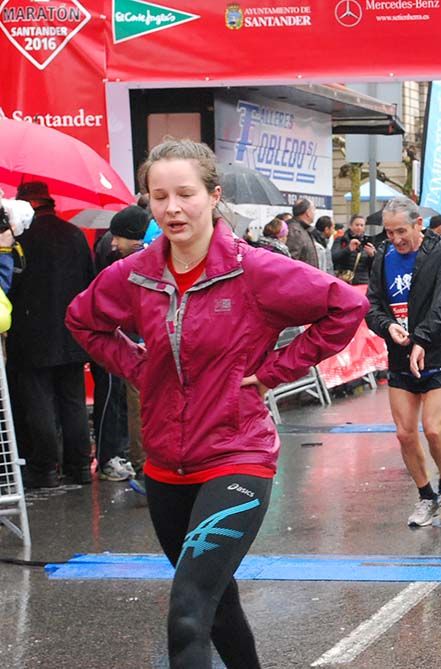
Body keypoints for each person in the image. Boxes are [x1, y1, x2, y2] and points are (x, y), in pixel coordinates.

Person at [66, 139, 368, 668]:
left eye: (185, 194)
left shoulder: (254, 270)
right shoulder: (137, 274)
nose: (172, 208)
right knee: (215, 603)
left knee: (187, 608)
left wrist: (274, 371)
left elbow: (345, 306)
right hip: (164, 466)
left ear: (213, 196)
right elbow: (83, 319)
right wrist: (139, 366)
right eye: (159, 196)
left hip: (237, 456)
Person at [366, 197, 441, 528]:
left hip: (438, 350)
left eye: (401, 231)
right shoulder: (382, 257)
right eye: (389, 232)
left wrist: (421, 338)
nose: (395, 239)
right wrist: (387, 326)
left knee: (433, 429)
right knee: (405, 434)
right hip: (400, 356)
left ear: (418, 225)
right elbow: (373, 305)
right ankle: (426, 496)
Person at [8, 181, 95, 488]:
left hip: (30, 334)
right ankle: (80, 467)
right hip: (72, 331)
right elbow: (90, 282)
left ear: (25, 204)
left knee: (39, 402)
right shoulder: (74, 235)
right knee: (72, 402)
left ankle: (44, 468)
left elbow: (10, 286)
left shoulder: (21, 239)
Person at [93, 205, 150, 482]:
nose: (113, 243)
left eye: (118, 237)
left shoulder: (128, 268)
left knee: (139, 405)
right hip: (151, 345)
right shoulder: (158, 259)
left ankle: (145, 468)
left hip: (138, 347)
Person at [331, 214, 375, 285]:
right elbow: (333, 258)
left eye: (362, 225)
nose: (359, 228)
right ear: (350, 226)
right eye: (357, 225)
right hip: (344, 281)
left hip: (362, 282)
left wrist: (372, 256)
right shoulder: (341, 240)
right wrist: (348, 249)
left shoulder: (368, 241)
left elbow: (373, 267)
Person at [285, 198, 319, 268]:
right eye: (313, 210)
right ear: (307, 213)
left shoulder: (304, 229)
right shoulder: (294, 231)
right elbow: (290, 261)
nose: (314, 213)